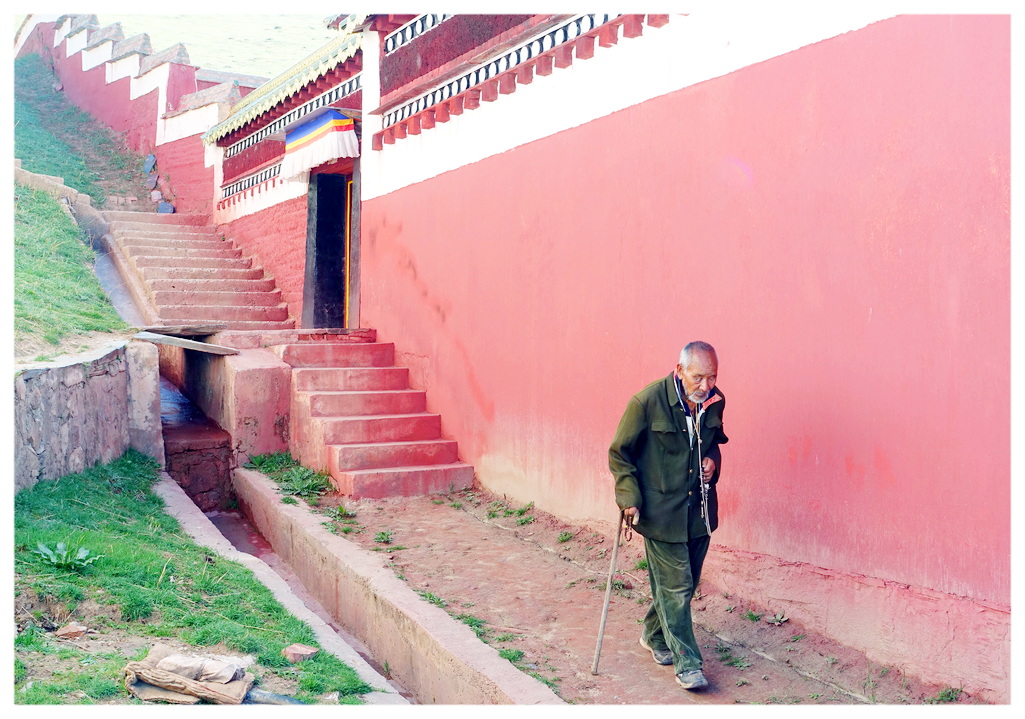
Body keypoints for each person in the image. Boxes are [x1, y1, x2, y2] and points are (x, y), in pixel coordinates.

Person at [608, 341, 728, 690]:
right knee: (677, 588)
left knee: (684, 586)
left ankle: (653, 635)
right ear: (679, 371)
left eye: (712, 377)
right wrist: (628, 497)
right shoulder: (645, 403)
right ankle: (688, 663)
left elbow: (713, 445)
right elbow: (619, 454)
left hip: (700, 513)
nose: (705, 385)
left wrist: (713, 464)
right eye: (698, 377)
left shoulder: (714, 401)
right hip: (661, 514)